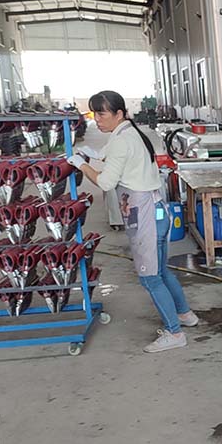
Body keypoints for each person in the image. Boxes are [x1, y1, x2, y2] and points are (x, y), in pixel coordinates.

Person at [70, 90, 198, 353]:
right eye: (94, 114)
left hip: (145, 215)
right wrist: (92, 154)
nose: (97, 119)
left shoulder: (122, 140)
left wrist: (81, 165)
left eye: (102, 114)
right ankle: (185, 314)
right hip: (157, 210)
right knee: (161, 271)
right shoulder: (130, 132)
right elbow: (110, 154)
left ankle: (175, 333)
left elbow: (106, 182)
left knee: (150, 277)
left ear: (119, 113)